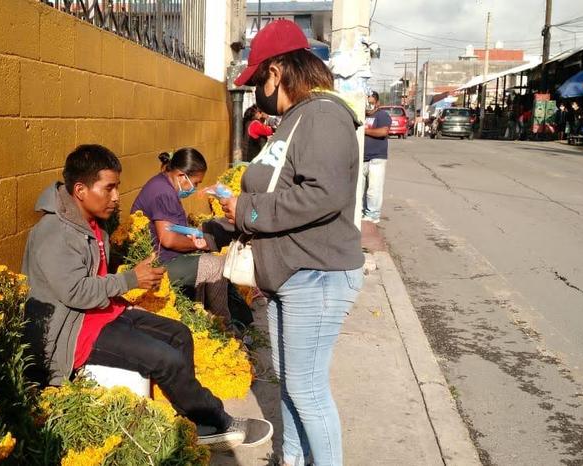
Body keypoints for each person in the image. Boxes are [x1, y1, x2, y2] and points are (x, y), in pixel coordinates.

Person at [21, 144, 272, 450]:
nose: (116, 197)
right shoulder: (54, 232)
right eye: (109, 188)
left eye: (118, 188)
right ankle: (214, 421)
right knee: (164, 358)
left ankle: (193, 416)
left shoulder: (90, 220)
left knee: (179, 334)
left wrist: (130, 282)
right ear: (80, 190)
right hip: (72, 332)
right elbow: (76, 292)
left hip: (101, 313)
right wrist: (130, 279)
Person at [223, 19, 364, 466]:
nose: (256, 92)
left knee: (308, 390)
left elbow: (323, 194)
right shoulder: (296, 118)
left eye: (258, 79)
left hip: (316, 274)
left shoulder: (322, 115)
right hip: (293, 273)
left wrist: (248, 211)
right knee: (293, 385)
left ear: (279, 69)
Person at [131, 148, 253, 326]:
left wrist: (195, 237)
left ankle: (210, 318)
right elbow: (169, 239)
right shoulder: (163, 192)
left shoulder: (163, 185)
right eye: (195, 183)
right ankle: (223, 326)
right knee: (216, 265)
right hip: (159, 264)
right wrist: (200, 245)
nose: (195, 189)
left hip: (166, 258)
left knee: (212, 262)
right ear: (181, 176)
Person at [362, 91, 391, 224]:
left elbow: (383, 131)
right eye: (367, 102)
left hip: (377, 158)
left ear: (377, 103)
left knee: (374, 188)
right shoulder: (360, 115)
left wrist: (364, 131)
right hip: (362, 157)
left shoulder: (382, 115)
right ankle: (362, 211)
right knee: (360, 188)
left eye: (371, 102)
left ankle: (373, 214)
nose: (369, 105)